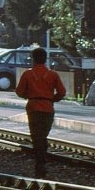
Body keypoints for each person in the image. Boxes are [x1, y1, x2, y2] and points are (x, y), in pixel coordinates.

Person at [15, 47, 67, 178]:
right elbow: (62, 92)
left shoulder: (28, 74)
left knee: (36, 136)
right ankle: (42, 160)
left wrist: (29, 95)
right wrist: (51, 99)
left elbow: (19, 91)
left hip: (33, 107)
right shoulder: (53, 75)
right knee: (43, 135)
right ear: (45, 59)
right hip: (48, 108)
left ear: (33, 59)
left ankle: (40, 163)